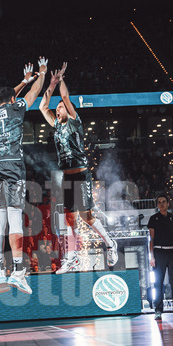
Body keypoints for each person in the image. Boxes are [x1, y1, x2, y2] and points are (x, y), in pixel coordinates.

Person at [39, 63, 118, 274]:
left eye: (61, 107)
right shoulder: (56, 125)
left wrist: (60, 81)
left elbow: (65, 97)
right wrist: (50, 85)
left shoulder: (74, 121)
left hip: (82, 174)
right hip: (67, 177)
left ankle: (110, 243)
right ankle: (72, 256)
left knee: (86, 217)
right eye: (57, 109)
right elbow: (41, 107)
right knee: (69, 217)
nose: (58, 109)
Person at [0, 57, 48, 295]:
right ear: (13, 99)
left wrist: (22, 81)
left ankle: (0, 270)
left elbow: (8, 95)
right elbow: (34, 93)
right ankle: (18, 271)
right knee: (14, 219)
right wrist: (40, 74)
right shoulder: (16, 107)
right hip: (12, 166)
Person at [147, 193, 173, 320]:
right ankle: (158, 310)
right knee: (158, 282)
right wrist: (152, 256)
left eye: (164, 201)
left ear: (168, 203)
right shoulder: (154, 218)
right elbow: (151, 238)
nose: (162, 204)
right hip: (159, 252)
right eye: (159, 202)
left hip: (172, 252)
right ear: (157, 205)